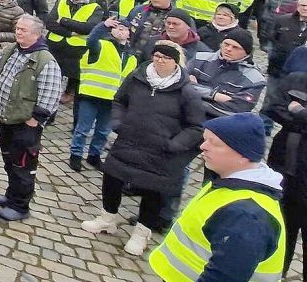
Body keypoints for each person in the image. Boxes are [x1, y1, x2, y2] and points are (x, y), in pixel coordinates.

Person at [81, 40, 204, 256]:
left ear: (176, 62)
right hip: (128, 140)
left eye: (165, 58)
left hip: (160, 151)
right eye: (157, 56)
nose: (160, 61)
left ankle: (142, 232)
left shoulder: (187, 92)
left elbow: (195, 127)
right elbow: (119, 100)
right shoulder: (137, 78)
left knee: (152, 191)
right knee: (112, 177)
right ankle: (107, 218)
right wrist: (119, 123)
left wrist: (173, 144)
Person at [150, 113, 286, 281]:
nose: (203, 146)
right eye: (205, 139)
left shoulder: (247, 216)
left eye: (214, 143)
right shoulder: (227, 180)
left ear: (242, 154)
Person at [0, 15, 63, 221]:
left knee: (23, 166)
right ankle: (11, 195)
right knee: (9, 160)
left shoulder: (46, 61)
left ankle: (20, 206)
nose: (18, 32)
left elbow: (51, 94)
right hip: (6, 118)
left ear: (36, 34)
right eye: (18, 28)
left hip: (25, 124)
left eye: (23, 30)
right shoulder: (13, 50)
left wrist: (34, 120)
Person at [69, 18, 136, 172]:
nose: (120, 31)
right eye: (117, 27)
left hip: (112, 100)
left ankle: (94, 155)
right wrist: (103, 25)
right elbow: (91, 40)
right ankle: (76, 154)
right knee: (83, 128)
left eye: (124, 29)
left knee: (103, 130)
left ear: (129, 34)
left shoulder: (131, 57)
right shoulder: (101, 45)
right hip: (91, 95)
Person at [264, 73, 307, 278]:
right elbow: (272, 107)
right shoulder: (296, 78)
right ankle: (277, 274)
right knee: (282, 231)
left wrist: (299, 112)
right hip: (285, 170)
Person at [45, 0, 105, 99]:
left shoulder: (95, 8)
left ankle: (69, 92)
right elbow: (50, 23)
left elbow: (88, 28)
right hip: (55, 45)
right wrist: (70, 32)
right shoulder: (62, 1)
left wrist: (64, 21)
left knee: (74, 77)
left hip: (77, 50)